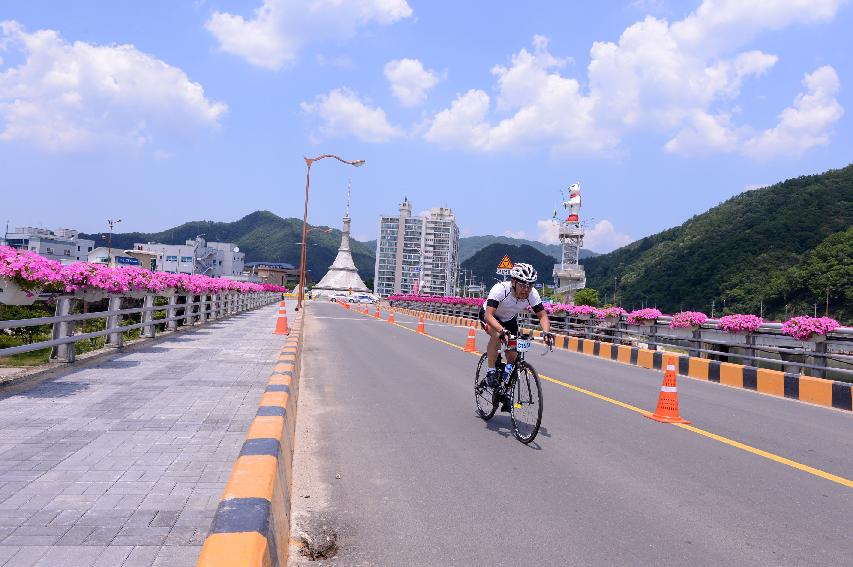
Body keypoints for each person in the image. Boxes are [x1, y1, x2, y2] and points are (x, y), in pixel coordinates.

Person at [479, 263, 555, 396]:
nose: (526, 289)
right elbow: (488, 315)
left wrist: (546, 332)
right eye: (523, 285)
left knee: (512, 357)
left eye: (530, 285)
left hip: (509, 320)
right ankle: (491, 371)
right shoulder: (500, 289)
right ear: (513, 282)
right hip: (490, 317)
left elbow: (542, 315)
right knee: (497, 335)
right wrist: (502, 331)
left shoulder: (532, 294)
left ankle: (506, 391)